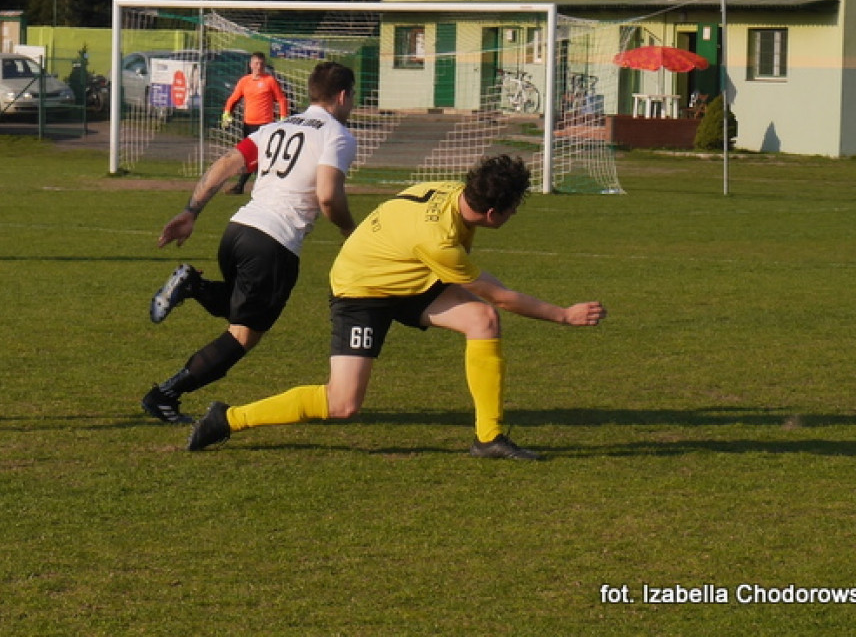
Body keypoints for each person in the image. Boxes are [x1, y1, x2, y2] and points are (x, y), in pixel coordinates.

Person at [186, 154, 607, 459]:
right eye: (514, 208)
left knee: (482, 321)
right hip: (362, 290)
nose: (516, 213)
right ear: (494, 211)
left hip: (407, 275)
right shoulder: (437, 239)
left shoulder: (453, 195)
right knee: (343, 403)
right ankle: (229, 418)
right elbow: (495, 291)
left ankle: (489, 437)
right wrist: (564, 315)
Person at [141, 61, 358, 424]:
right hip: (274, 242)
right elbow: (328, 197)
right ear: (342, 95)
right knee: (242, 336)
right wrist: (350, 230)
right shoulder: (336, 134)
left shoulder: (276, 127)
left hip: (238, 230)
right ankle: (163, 396)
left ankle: (193, 284)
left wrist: (191, 210)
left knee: (238, 309)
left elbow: (228, 162)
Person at [221, 51, 289, 195]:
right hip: (248, 125)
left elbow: (281, 99)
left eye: (261, 64)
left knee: (261, 156)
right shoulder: (244, 81)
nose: (259, 66)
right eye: (256, 63)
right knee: (251, 157)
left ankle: (245, 186)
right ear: (251, 65)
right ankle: (251, 186)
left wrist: (283, 118)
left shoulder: (269, 80)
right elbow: (233, 99)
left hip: (265, 125)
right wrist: (227, 114)